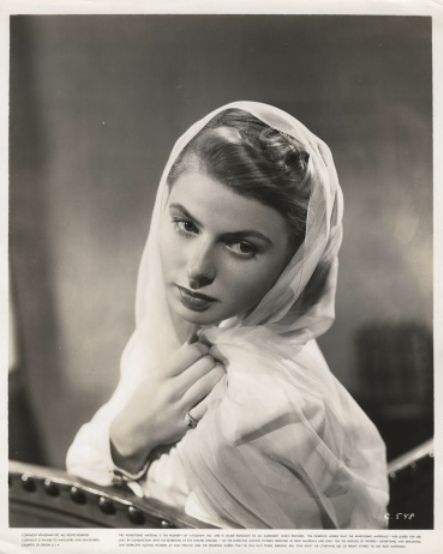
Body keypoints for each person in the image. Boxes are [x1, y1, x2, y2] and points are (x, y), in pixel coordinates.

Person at [66, 101, 389, 528]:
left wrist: (126, 444)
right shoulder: (183, 339)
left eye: (242, 246)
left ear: (292, 266)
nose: (197, 268)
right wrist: (128, 438)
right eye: (186, 225)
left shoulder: (256, 409)